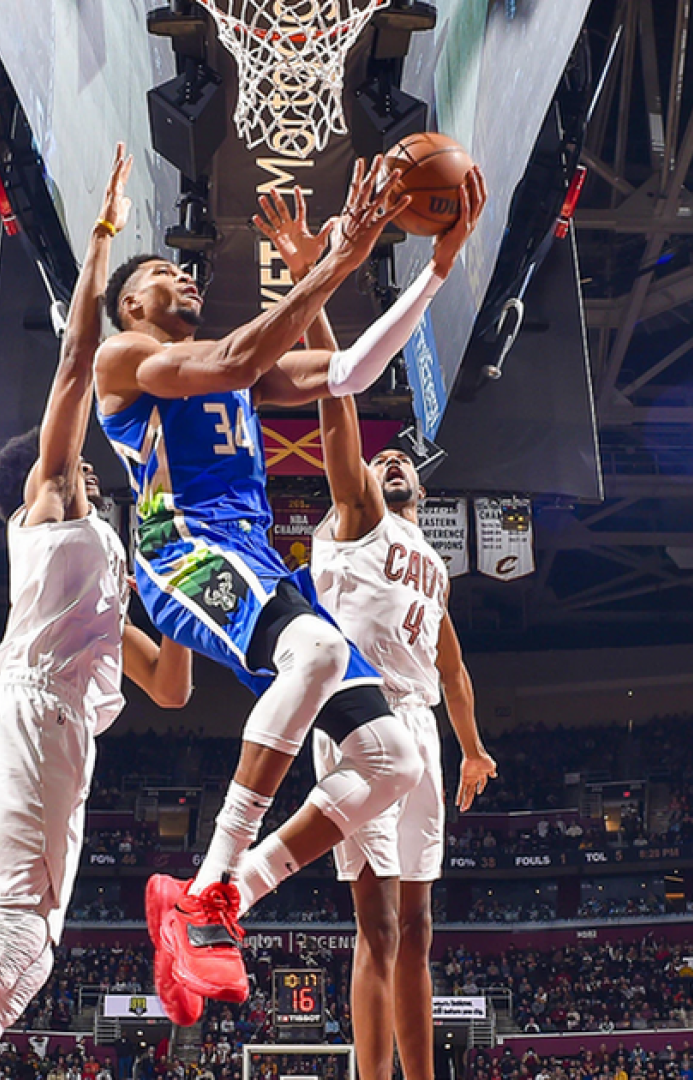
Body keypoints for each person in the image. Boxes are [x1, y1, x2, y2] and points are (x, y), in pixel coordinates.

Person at [95, 156, 484, 1022]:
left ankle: (222, 893)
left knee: (395, 759)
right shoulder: (127, 357)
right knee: (313, 650)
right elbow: (238, 354)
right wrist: (337, 259)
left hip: (257, 559)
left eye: (184, 272)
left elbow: (347, 373)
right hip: (182, 549)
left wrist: (435, 270)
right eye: (162, 272)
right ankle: (209, 888)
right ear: (130, 304)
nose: (184, 277)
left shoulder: (233, 369)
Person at [0, 144, 194, 1080]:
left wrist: (177, 582)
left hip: (59, 736)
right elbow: (72, 371)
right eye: (74, 460)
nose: (86, 463)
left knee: (28, 959)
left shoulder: (102, 579)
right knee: (16, 939)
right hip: (26, 719)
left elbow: (171, 687)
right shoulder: (50, 510)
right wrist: (100, 243)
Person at [252, 185, 496, 1080]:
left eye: (402, 461)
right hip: (360, 716)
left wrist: (473, 747)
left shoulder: (432, 561)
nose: (388, 461)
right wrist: (313, 271)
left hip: (422, 728)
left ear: (421, 489)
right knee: (378, 925)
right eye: (380, 458)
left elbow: (452, 664)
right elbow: (341, 392)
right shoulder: (355, 515)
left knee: (421, 926)